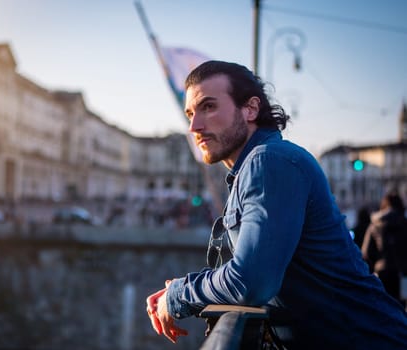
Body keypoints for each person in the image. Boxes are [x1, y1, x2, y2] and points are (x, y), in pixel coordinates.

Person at [145, 60, 407, 349]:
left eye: (209, 107)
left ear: (250, 109)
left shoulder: (269, 161)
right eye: (190, 113)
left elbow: (251, 281)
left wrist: (179, 294)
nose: (194, 126)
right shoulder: (256, 167)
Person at [362, 192, 407, 305]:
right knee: (401, 308)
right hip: (401, 274)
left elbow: (366, 253)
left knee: (383, 306)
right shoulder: (404, 223)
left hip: (381, 272)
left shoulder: (375, 224)